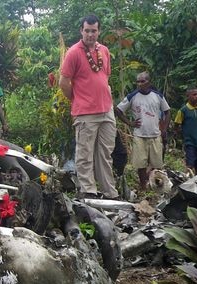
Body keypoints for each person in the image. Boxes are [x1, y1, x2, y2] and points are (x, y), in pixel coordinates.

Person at [59, 14, 120, 200]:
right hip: (85, 113)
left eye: (94, 31)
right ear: (81, 30)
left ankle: (110, 192)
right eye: (87, 30)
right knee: (85, 154)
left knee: (105, 154)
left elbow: (105, 78)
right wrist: (77, 99)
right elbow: (63, 82)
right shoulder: (74, 52)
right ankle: (88, 191)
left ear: (98, 31)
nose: (90, 34)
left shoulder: (104, 51)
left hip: (106, 110)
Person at [115, 71, 171, 189]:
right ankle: (143, 186)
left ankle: (156, 185)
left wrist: (164, 128)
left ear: (149, 82)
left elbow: (167, 111)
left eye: (143, 81)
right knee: (141, 163)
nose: (140, 84)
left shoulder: (157, 96)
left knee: (157, 163)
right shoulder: (132, 96)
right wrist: (130, 123)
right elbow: (118, 110)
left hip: (155, 134)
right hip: (139, 134)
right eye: (138, 81)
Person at [173, 87, 197, 174]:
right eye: (194, 94)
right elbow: (177, 124)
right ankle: (187, 181)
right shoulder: (183, 110)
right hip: (190, 142)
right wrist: (179, 136)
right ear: (188, 96)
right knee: (190, 164)